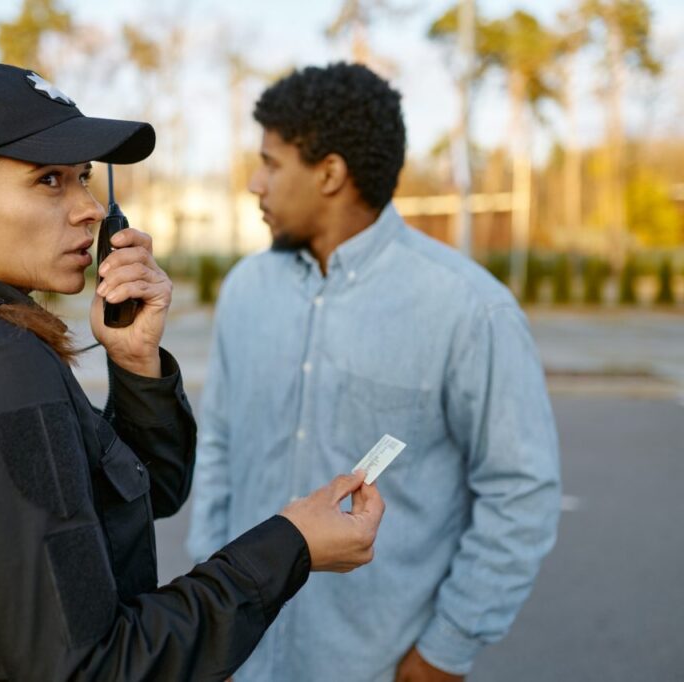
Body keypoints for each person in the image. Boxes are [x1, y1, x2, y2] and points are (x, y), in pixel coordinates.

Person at [0, 62, 385, 682]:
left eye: (83, 178)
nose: (88, 209)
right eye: (49, 180)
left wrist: (135, 363)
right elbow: (94, 667)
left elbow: (144, 494)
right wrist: (289, 547)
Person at [186, 62, 561, 682]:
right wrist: (210, 612)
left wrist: (446, 650)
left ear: (329, 173)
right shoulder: (245, 291)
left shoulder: (469, 309)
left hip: (376, 664)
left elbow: (520, 491)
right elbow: (222, 449)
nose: (256, 183)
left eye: (272, 163)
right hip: (241, 657)